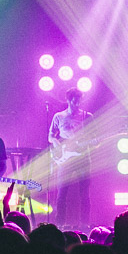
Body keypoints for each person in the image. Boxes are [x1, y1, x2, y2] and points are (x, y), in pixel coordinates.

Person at [49, 88, 94, 228]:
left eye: (79, 100)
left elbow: (93, 135)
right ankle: (60, 225)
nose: (78, 103)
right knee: (61, 194)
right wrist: (57, 144)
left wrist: (93, 141)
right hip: (64, 159)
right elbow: (50, 136)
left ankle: (85, 224)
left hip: (82, 158)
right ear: (68, 100)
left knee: (84, 194)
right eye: (75, 101)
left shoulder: (87, 116)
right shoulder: (59, 116)